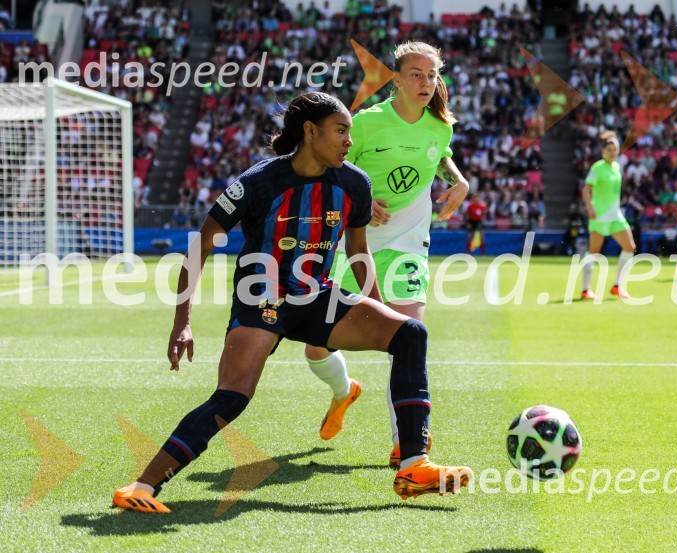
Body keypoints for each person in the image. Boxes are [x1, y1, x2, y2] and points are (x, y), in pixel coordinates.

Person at [112, 92, 472, 513]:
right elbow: (201, 246)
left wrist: (379, 310)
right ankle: (141, 487)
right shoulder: (259, 182)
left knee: (409, 333)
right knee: (232, 397)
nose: (349, 141)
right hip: (260, 301)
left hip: (317, 296)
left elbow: (359, 253)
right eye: (341, 131)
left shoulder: (355, 183)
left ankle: (413, 466)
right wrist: (182, 322)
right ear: (310, 131)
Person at [303, 41, 469, 469]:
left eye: (432, 75)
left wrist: (459, 181)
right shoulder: (366, 123)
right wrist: (361, 201)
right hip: (354, 243)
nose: (425, 83)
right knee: (315, 348)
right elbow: (330, 167)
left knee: (409, 337)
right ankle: (344, 391)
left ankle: (407, 445)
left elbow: (441, 154)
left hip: (408, 244)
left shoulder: (440, 126)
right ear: (396, 79)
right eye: (416, 74)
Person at [580, 131, 636, 300]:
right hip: (600, 215)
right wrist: (590, 208)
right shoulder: (597, 168)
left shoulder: (617, 167)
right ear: (603, 151)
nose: (612, 153)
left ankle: (618, 285)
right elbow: (586, 190)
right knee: (594, 252)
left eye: (615, 150)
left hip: (615, 216)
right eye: (609, 149)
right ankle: (586, 289)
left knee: (630, 247)